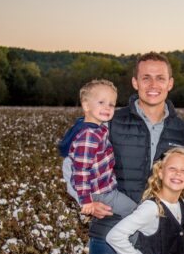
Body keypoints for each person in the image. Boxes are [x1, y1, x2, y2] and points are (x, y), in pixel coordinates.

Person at [86, 53, 184, 254]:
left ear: (170, 83)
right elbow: (76, 160)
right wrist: (85, 201)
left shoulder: (183, 129)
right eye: (146, 77)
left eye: (160, 78)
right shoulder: (111, 120)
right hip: (110, 239)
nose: (153, 84)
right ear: (134, 82)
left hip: (160, 246)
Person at [57, 79, 137, 218]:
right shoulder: (89, 136)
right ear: (86, 105)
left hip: (103, 188)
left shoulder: (92, 128)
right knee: (136, 213)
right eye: (101, 102)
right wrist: (86, 201)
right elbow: (81, 170)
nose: (107, 107)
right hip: (100, 193)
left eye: (111, 104)